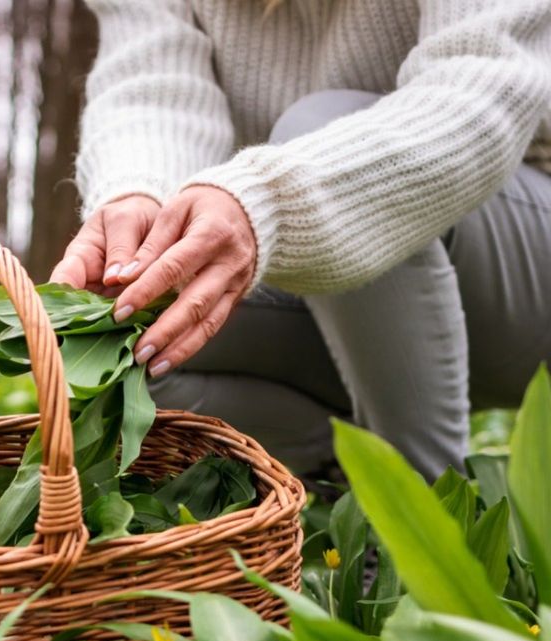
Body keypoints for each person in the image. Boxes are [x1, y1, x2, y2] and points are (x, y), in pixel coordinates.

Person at [50, 0, 551, 481]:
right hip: (333, 304)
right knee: (128, 334)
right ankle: (349, 482)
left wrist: (270, 200)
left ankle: (428, 518)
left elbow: (484, 88)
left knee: (319, 125)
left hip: (517, 281)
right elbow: (149, 86)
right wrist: (140, 200)